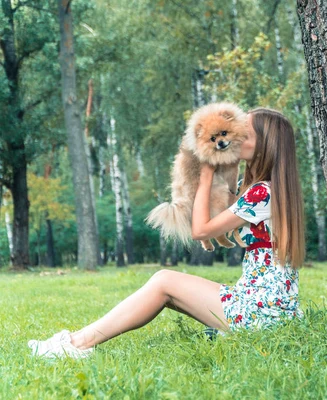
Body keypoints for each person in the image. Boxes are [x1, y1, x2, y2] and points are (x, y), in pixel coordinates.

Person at [28, 108, 306, 359]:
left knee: (163, 281)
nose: (237, 136)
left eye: (246, 133)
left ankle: (76, 345)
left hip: (262, 312)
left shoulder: (262, 193)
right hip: (268, 306)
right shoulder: (267, 189)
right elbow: (222, 212)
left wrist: (206, 173)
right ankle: (78, 343)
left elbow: (200, 230)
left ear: (265, 145)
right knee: (167, 290)